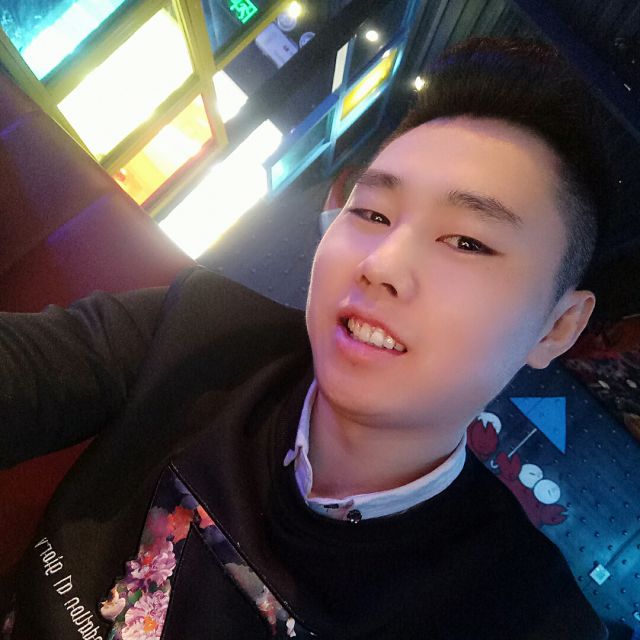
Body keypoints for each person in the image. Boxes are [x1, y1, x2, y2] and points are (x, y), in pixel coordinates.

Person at [0, 37, 611, 639]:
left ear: (557, 326)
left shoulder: (525, 615)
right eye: (372, 213)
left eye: (467, 242)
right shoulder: (202, 334)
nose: (381, 264)